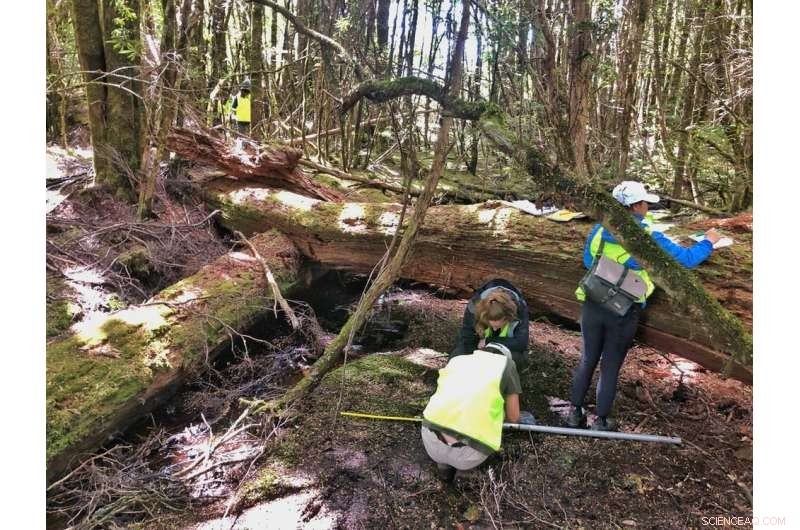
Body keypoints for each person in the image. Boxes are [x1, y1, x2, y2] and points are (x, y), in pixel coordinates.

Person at [567, 181, 722, 431]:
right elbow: (686, 259)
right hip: (623, 309)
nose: (647, 206)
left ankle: (574, 413)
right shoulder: (648, 237)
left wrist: (615, 265)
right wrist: (709, 242)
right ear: (637, 206)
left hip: (593, 303)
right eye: (645, 202)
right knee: (610, 366)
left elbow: (588, 261)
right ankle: (602, 421)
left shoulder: (598, 229)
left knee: (587, 359)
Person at [421, 343, 535, 482]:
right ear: (505, 357)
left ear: (481, 351)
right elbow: (514, 418)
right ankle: (466, 472)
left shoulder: (457, 360)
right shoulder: (507, 365)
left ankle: (444, 466)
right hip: (468, 456)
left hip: (431, 442)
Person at [452, 279, 530, 370]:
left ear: (508, 317)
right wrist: (475, 356)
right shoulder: (474, 306)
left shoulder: (520, 308)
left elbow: (521, 343)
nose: (495, 329)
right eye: (491, 325)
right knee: (457, 356)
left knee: (518, 359)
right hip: (479, 344)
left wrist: (489, 341)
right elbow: (466, 337)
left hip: (502, 346)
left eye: (498, 326)